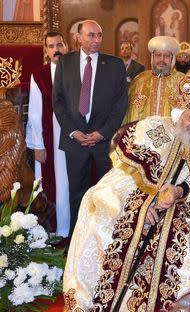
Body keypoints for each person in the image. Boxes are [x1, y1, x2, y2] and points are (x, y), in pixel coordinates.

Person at [63, 75, 190, 311]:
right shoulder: (153, 127)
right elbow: (124, 175)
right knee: (100, 206)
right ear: (179, 112)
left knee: (172, 235)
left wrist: (178, 191)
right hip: (134, 199)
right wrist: (143, 207)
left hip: (179, 206)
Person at [52, 20, 128, 237]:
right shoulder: (65, 63)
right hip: (74, 141)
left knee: (107, 194)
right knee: (77, 194)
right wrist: (73, 132)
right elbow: (58, 101)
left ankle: (106, 239)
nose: (96, 40)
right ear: (79, 38)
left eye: (99, 35)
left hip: (104, 142)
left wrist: (103, 132)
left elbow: (120, 104)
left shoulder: (114, 64)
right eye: (91, 35)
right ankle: (78, 239)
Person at [25, 31, 70, 237]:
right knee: (52, 186)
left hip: (73, 140)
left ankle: (72, 231)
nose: (56, 50)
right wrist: (38, 145)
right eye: (51, 46)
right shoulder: (39, 75)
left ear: (66, 46)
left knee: (72, 186)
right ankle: (54, 233)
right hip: (49, 141)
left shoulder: (77, 71)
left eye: (59, 45)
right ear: (45, 51)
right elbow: (34, 113)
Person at [124, 36, 185, 123]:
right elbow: (126, 112)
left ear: (173, 59)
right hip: (141, 134)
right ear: (152, 57)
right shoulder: (139, 80)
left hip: (172, 135)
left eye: (167, 56)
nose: (162, 59)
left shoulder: (182, 81)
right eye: (158, 55)